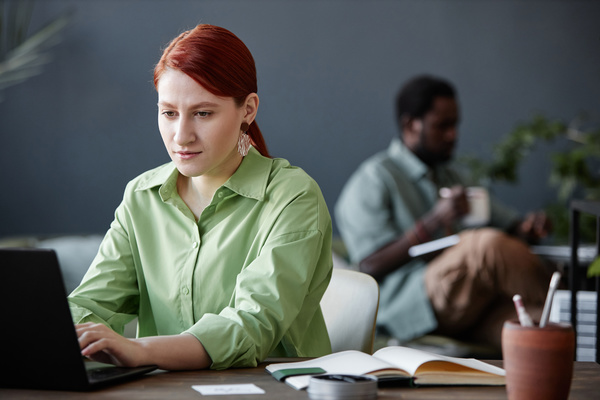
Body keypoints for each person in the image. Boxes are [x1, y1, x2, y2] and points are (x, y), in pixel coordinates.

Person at [69, 24, 333, 371]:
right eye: (169, 113)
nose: (181, 136)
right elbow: (91, 304)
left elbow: (250, 327)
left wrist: (140, 350)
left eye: (203, 113)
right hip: (163, 393)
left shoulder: (293, 197)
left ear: (248, 110)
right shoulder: (141, 197)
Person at [335, 75, 553, 350]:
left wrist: (527, 228)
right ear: (410, 125)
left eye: (455, 125)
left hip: (472, 306)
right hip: (411, 304)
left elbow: (510, 228)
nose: (453, 135)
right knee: (484, 245)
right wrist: (434, 220)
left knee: (538, 331)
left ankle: (563, 318)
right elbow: (368, 265)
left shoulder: (455, 175)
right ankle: (568, 307)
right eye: (442, 126)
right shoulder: (374, 179)